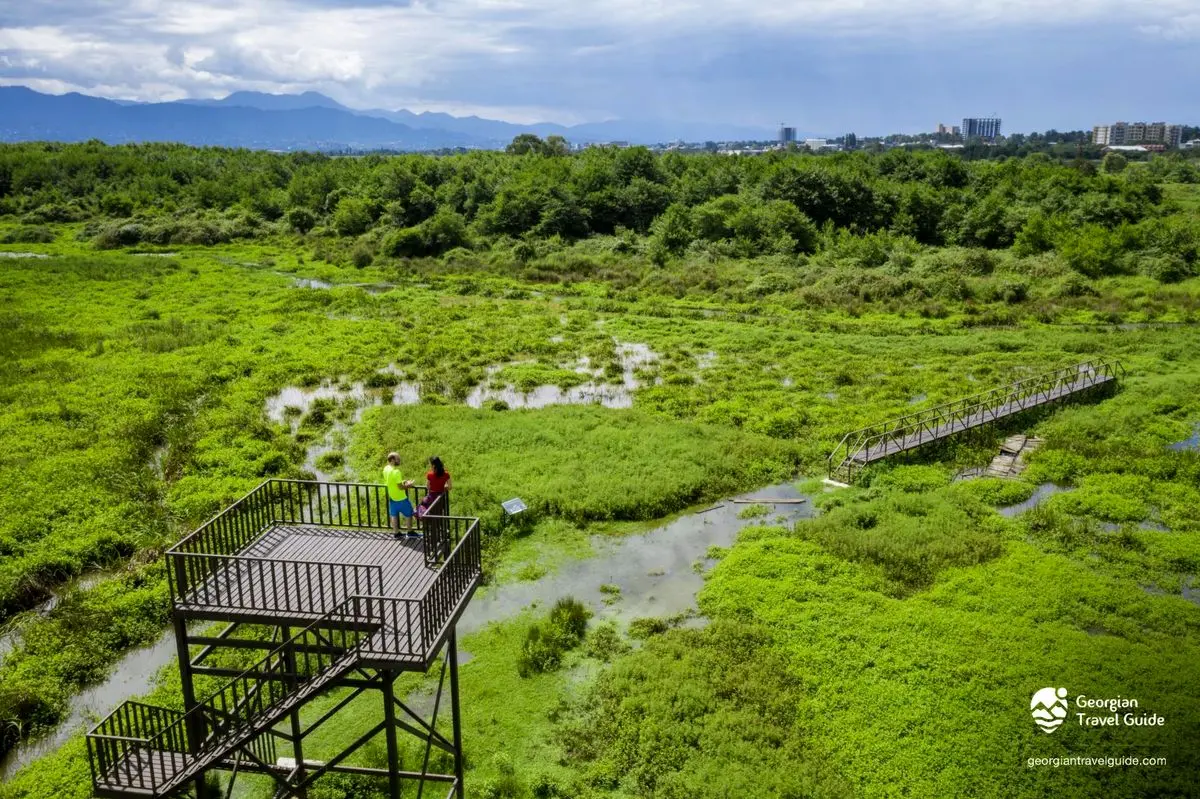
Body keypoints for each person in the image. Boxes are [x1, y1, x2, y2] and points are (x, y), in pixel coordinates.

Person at [383, 452, 415, 537]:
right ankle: (410, 531)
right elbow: (400, 487)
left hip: (392, 496)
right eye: (398, 459)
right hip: (401, 497)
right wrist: (409, 485)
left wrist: (403, 481)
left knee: (394, 515)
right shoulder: (396, 471)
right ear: (393, 460)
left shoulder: (386, 469)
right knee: (409, 513)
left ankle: (396, 532)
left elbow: (392, 482)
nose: (399, 460)